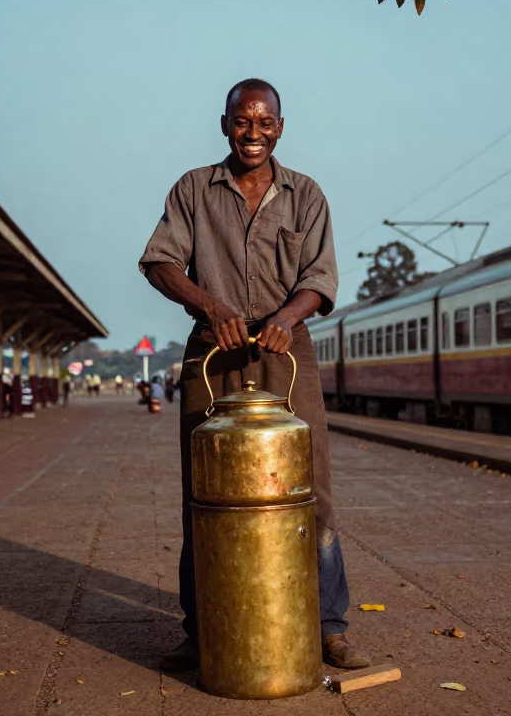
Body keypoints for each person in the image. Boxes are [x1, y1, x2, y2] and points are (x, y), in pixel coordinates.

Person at [139, 78, 367, 672]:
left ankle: (329, 628)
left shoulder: (307, 195)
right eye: (244, 122)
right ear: (224, 125)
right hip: (212, 355)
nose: (254, 134)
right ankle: (202, 628)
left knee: (309, 491)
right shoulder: (193, 190)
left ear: (281, 128)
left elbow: (320, 278)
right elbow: (159, 261)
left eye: (265, 123)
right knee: (205, 492)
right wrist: (211, 307)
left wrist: (286, 320)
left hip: (286, 354)